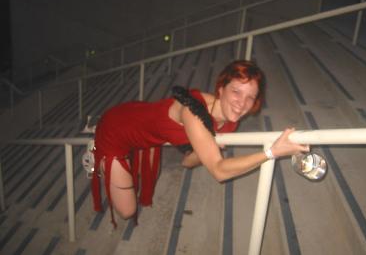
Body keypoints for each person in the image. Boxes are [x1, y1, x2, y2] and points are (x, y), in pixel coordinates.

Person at [91, 60, 309, 227]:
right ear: (221, 90)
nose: (242, 103)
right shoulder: (194, 111)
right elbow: (219, 171)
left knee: (145, 180)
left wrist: (208, 147)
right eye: (236, 91)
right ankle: (93, 153)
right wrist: (271, 152)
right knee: (128, 211)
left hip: (143, 125)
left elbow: (187, 162)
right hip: (115, 130)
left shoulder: (228, 121)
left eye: (250, 97)